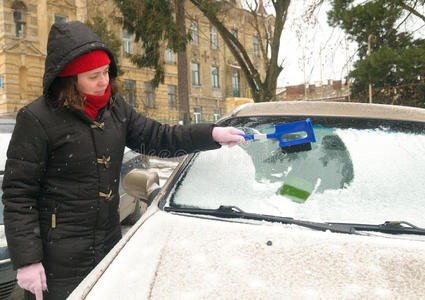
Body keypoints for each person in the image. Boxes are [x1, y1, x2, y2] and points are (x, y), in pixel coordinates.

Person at [2, 21, 245, 300]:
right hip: (58, 260)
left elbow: (160, 137)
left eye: (106, 72)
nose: (104, 81)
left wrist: (211, 134)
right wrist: (28, 260)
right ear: (69, 77)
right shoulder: (37, 119)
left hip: (108, 246)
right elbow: (19, 194)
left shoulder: (115, 109)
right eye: (93, 75)